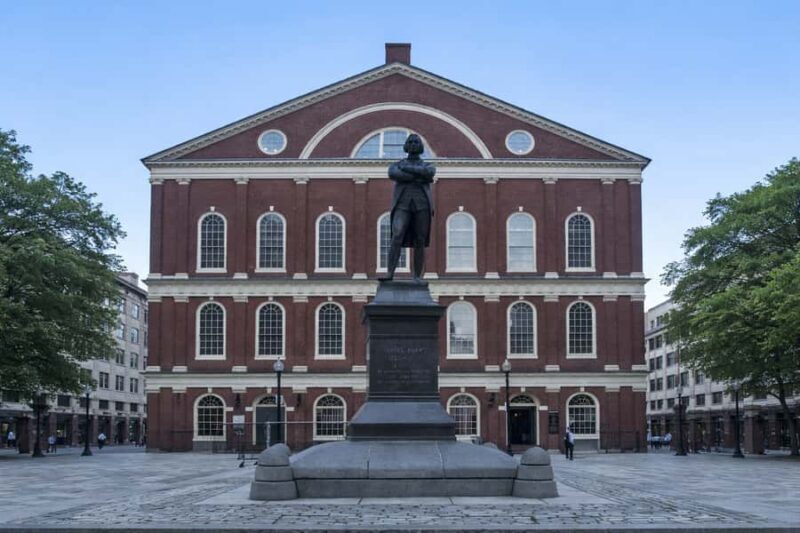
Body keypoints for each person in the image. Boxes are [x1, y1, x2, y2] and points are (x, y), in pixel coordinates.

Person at [382, 134, 436, 281]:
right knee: (397, 235)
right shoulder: (397, 165)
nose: (413, 144)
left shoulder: (426, 165)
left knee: (420, 240)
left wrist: (407, 169)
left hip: (422, 205)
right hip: (402, 205)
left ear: (420, 146)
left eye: (416, 142)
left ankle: (417, 276)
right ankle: (389, 273)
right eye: (410, 142)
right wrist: (419, 176)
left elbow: (430, 173)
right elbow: (393, 174)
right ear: (406, 146)